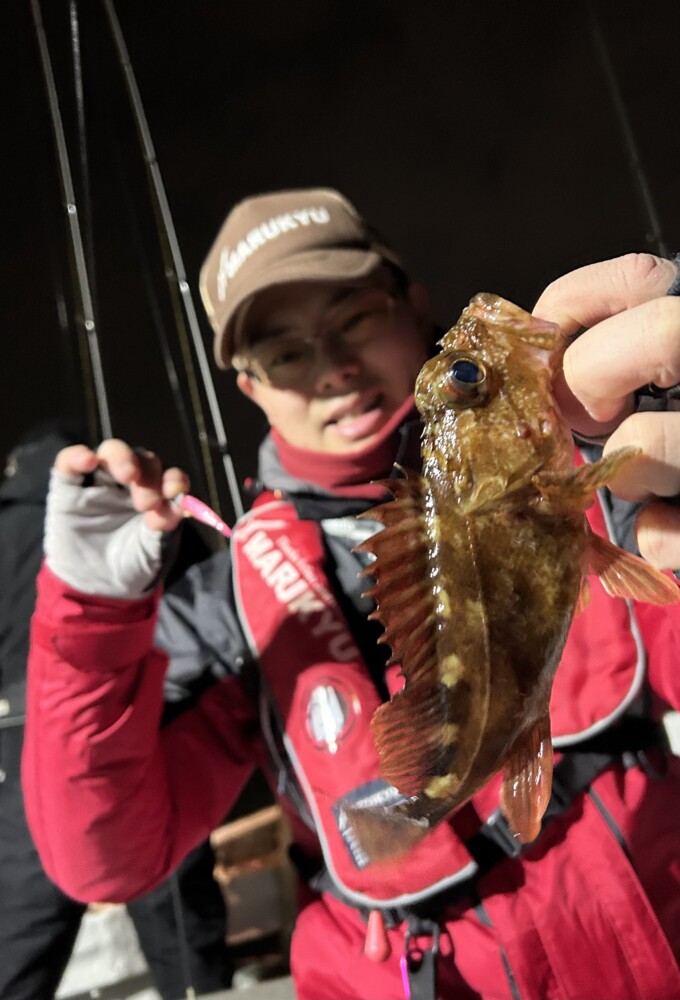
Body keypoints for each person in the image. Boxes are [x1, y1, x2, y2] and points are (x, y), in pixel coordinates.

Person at [22, 187, 680, 1000]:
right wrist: (89, 616)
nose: (332, 365)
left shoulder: (596, 461)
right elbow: (105, 858)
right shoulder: (228, 604)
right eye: (284, 351)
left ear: (412, 305)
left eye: (356, 316)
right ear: (251, 388)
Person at [0, 424, 233, 1000]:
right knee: (175, 904)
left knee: (22, 925)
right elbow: (203, 603)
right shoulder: (135, 497)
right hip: (143, 714)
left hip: (21, 741)